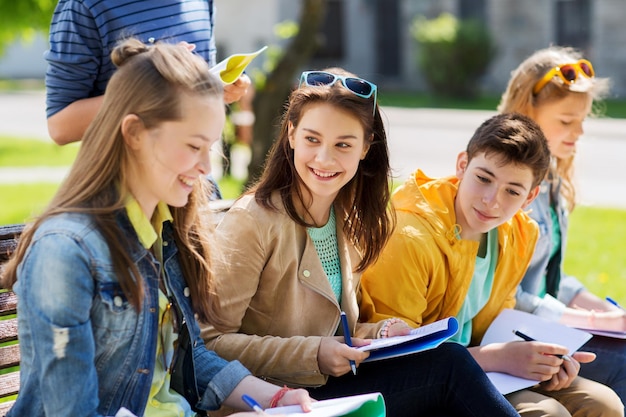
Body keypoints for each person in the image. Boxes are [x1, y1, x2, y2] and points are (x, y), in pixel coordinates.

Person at [1, 38, 311, 417]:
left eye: (210, 147)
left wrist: (276, 399)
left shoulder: (166, 226)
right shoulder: (65, 252)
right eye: (194, 146)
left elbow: (188, 358)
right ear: (133, 133)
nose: (206, 168)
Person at [200, 67, 521, 417]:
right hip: (273, 398)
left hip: (329, 386)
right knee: (451, 368)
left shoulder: (348, 219)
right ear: (290, 134)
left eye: (343, 145)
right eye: (312, 139)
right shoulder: (253, 220)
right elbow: (209, 344)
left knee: (447, 361)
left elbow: (335, 330)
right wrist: (316, 353)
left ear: (366, 148)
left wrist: (381, 332)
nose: (324, 158)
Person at [359, 112, 624, 416]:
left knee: (604, 405)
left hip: (486, 365)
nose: (492, 201)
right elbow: (397, 357)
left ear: (529, 197)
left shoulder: (518, 233)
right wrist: (499, 358)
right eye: (483, 179)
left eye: (512, 191)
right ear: (462, 165)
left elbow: (498, 319)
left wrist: (544, 361)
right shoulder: (409, 237)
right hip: (428, 381)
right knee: (549, 414)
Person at [497, 46, 626, 409]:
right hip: (514, 335)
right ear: (527, 115)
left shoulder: (552, 180)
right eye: (567, 121)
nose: (580, 131)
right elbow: (505, 291)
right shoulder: (505, 190)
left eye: (582, 119)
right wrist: (587, 319)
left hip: (546, 325)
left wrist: (607, 313)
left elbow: (551, 275)